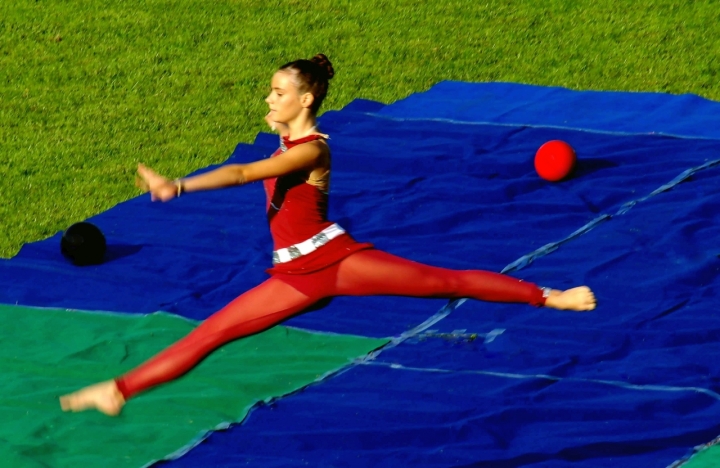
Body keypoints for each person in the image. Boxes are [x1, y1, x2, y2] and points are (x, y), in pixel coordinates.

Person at [59, 54, 596, 416]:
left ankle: (552, 296)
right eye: (269, 92)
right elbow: (254, 171)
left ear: (306, 99)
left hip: (333, 264)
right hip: (297, 273)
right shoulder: (286, 145)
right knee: (210, 334)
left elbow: (244, 174)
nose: (268, 101)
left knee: (443, 280)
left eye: (278, 93)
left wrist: (179, 185)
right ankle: (119, 389)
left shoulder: (312, 148)